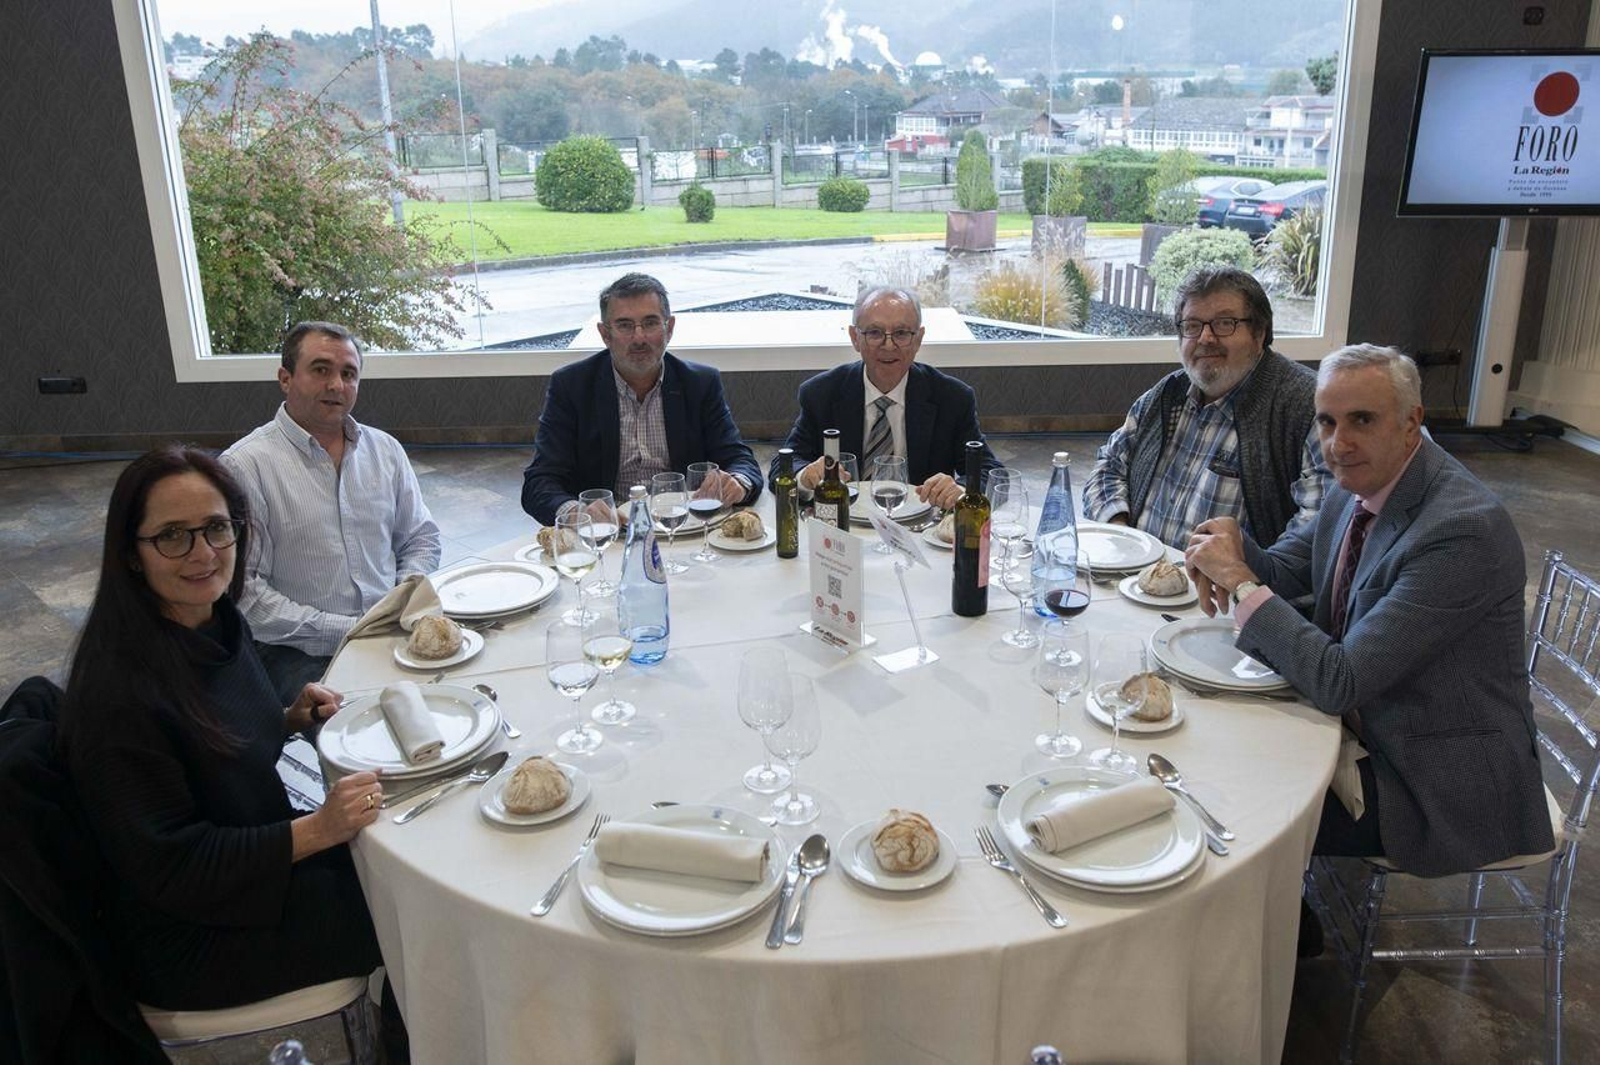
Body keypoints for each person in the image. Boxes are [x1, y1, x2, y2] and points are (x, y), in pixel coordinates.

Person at [1184, 345, 1552, 876]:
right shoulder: (1361, 480)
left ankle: (1260, 941)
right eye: (1327, 421)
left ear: (1411, 423)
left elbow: (1340, 680)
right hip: (1365, 729)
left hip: (1433, 780)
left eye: (1362, 420)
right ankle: (1290, 922)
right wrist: (1237, 547)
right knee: (1211, 742)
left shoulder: (1461, 532)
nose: (1338, 443)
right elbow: (1291, 569)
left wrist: (1240, 583)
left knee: (1227, 801)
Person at [56, 445, 394, 1015]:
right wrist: (318, 829)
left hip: (257, 871)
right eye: (172, 535)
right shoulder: (119, 696)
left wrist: (285, 716)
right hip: (193, 934)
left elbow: (211, 736)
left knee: (394, 870)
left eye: (217, 528)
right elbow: (176, 866)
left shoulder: (213, 619)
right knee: (405, 912)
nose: (203, 553)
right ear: (131, 554)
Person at [222, 322, 441, 703]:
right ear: (285, 379)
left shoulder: (385, 450)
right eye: (321, 370)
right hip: (297, 651)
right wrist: (350, 629)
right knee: (367, 738)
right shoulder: (245, 467)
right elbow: (246, 593)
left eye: (348, 373)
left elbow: (420, 537)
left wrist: (403, 598)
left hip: (390, 629)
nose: (336, 385)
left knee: (462, 700)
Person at [1082, 267, 1331, 550]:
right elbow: (1108, 467)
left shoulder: (1305, 407)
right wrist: (1123, 538)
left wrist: (1244, 578)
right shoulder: (1166, 396)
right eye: (1192, 326)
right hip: (1138, 580)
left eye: (1225, 323)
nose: (1205, 338)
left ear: (1259, 333)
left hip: (1232, 590)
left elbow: (1319, 527)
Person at [521, 273, 764, 525]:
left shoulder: (700, 383)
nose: (639, 338)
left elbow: (740, 460)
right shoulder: (571, 386)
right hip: (607, 532)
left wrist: (738, 481)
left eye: (650, 323)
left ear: (668, 328)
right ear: (605, 334)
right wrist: (575, 511)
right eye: (625, 325)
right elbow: (540, 481)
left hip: (683, 525)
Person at [770, 286, 998, 509]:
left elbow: (989, 470)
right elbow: (783, 466)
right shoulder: (821, 394)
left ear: (918, 339)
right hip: (844, 528)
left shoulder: (952, 398)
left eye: (901, 333)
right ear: (855, 338)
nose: (888, 345)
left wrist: (961, 490)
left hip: (919, 529)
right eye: (875, 333)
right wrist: (806, 475)